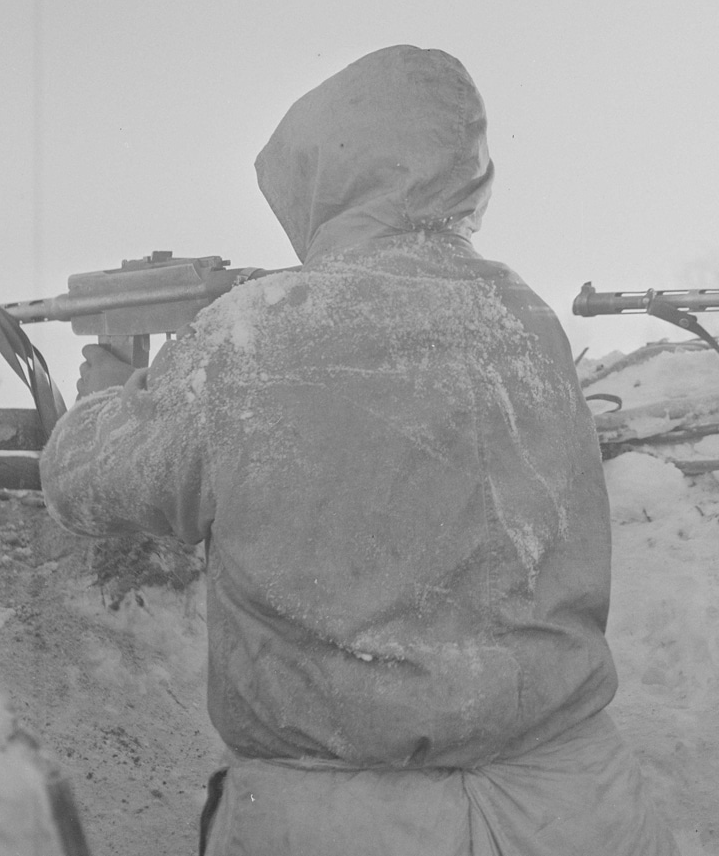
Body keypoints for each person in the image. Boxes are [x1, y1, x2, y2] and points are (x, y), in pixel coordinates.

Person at [39, 45, 678, 856]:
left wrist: (112, 383)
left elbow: (85, 482)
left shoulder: (256, 331)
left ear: (321, 178)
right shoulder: (525, 318)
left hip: (344, 821)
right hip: (578, 804)